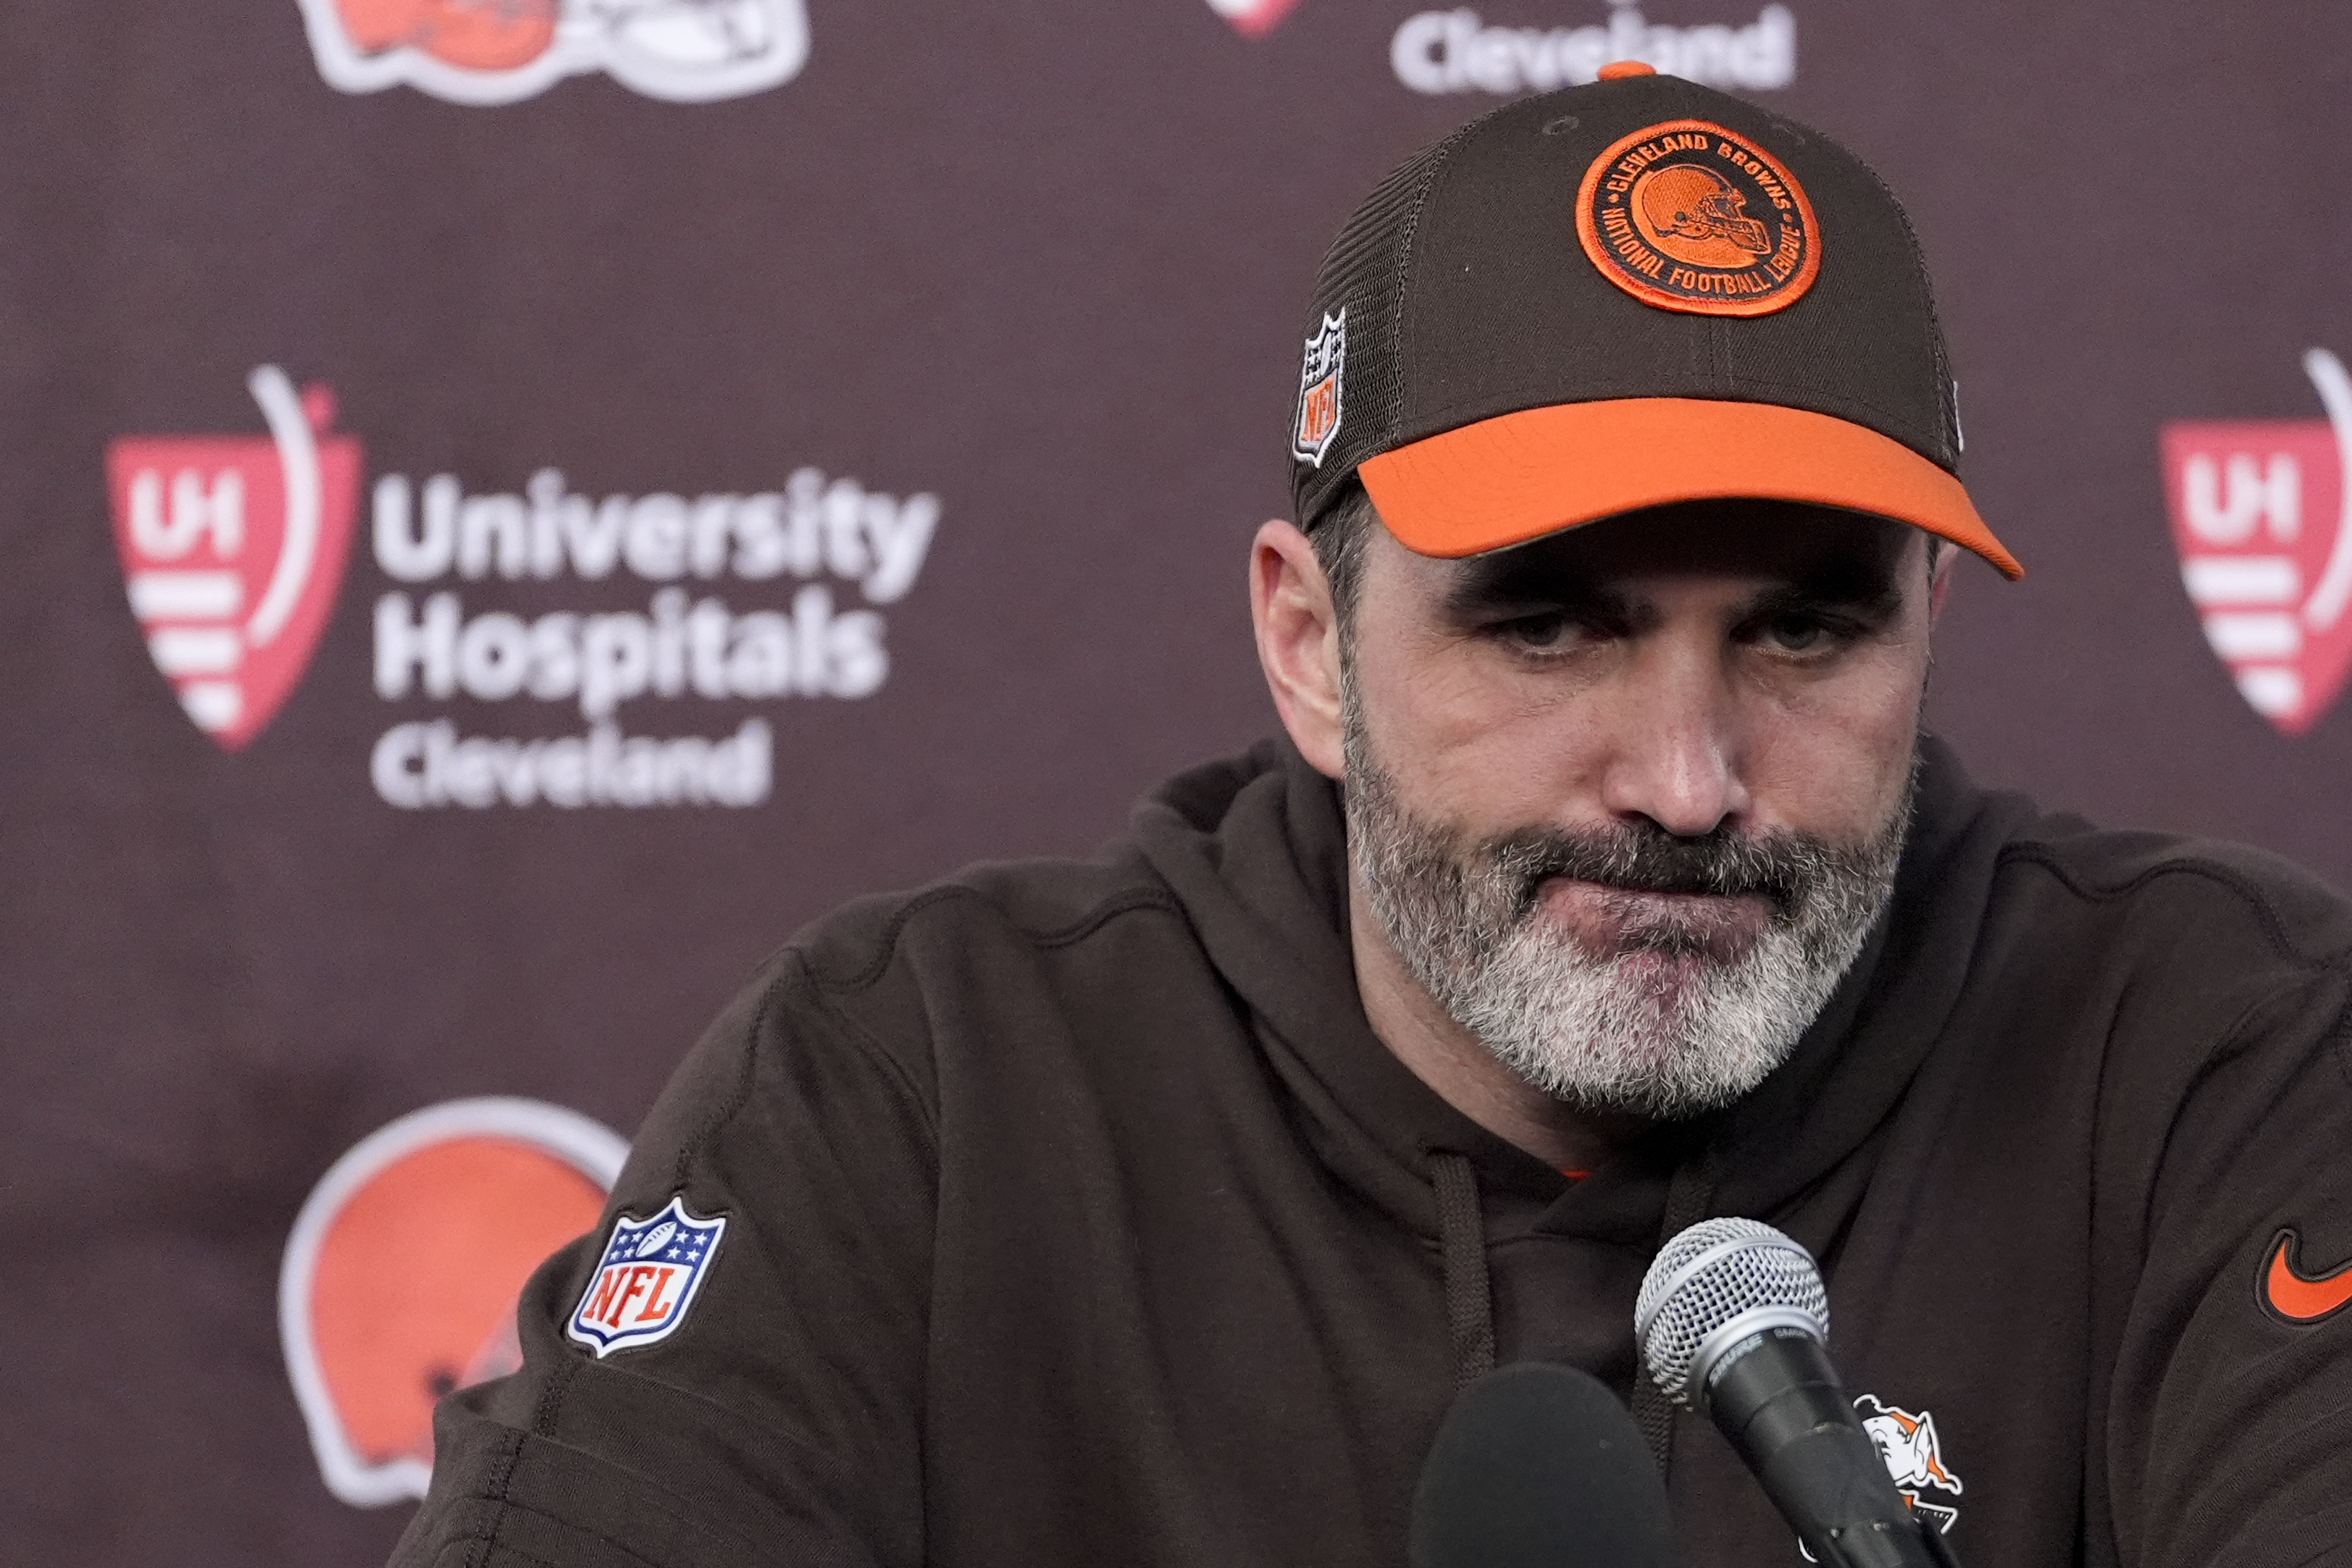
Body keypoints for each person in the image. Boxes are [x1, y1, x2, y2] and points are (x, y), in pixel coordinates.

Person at [390, 67, 2352, 1568]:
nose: (1686, 781)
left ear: (1927, 629)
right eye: (1550, 627)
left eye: (1804, 630)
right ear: (1309, 644)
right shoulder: (923, 1095)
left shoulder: (2224, 1061)